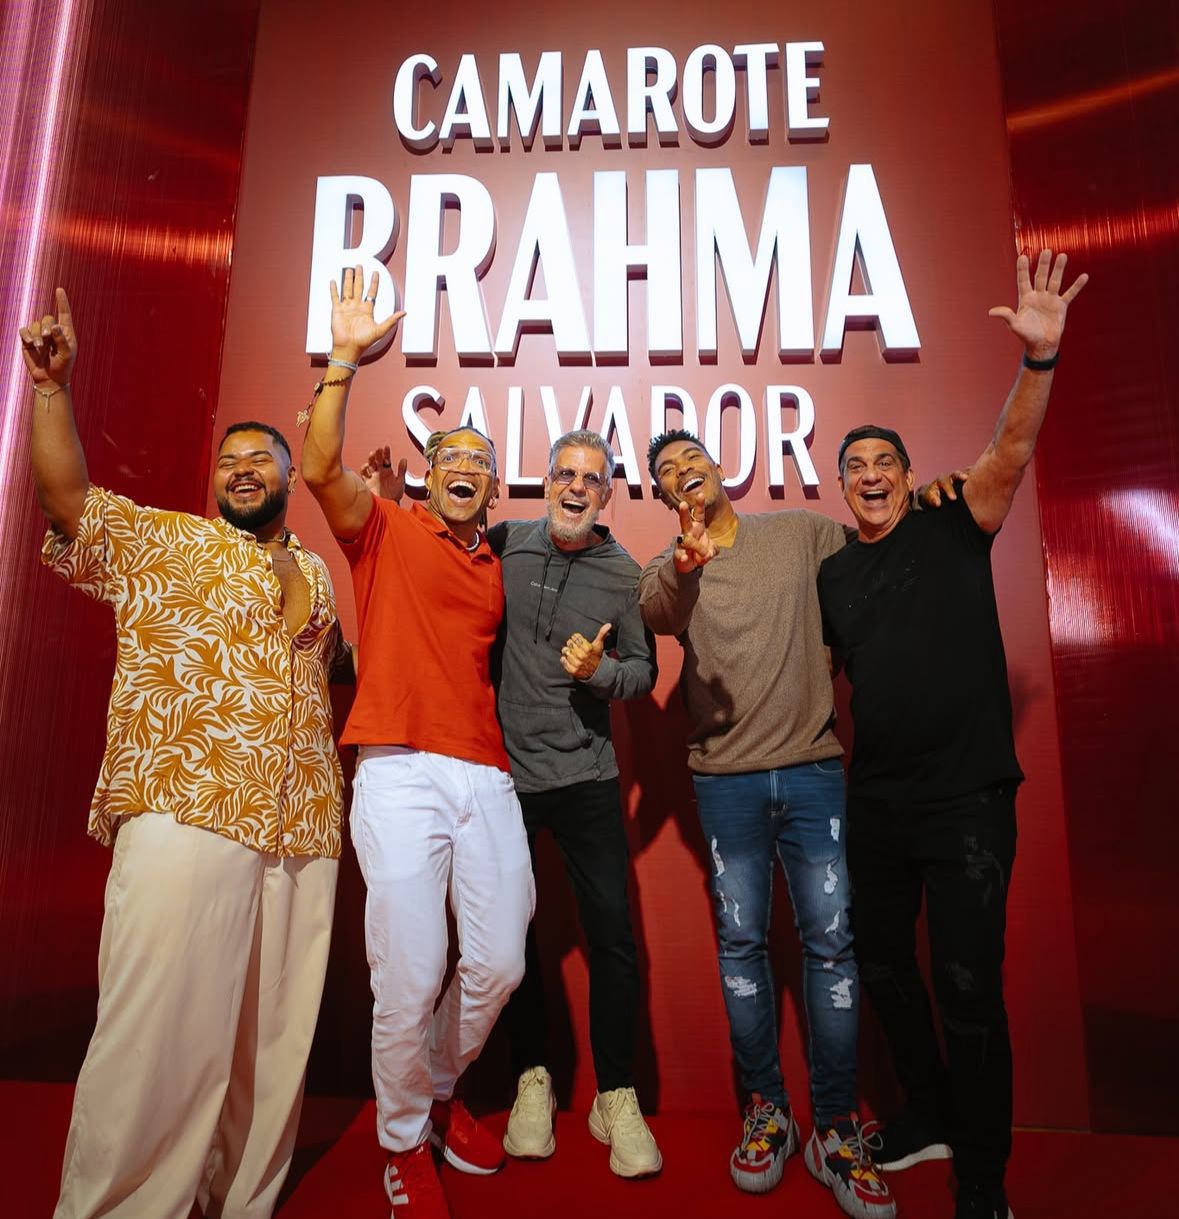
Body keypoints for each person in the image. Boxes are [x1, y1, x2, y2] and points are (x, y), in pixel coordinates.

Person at [19, 290, 347, 1219]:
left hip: (302, 824)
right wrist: (51, 390)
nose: (241, 470)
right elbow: (68, 500)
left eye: (260, 458)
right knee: (155, 1035)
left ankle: (235, 1200)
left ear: (289, 476)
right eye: (228, 460)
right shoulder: (165, 541)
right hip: (185, 801)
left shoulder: (316, 573)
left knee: (269, 1049)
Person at [817, 250, 1087, 1219]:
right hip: (877, 804)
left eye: (884, 462)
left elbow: (1010, 448)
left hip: (968, 801)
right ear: (843, 485)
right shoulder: (834, 574)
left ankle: (982, 1174)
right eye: (855, 467)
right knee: (885, 968)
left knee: (968, 988)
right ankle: (927, 1110)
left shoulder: (955, 518)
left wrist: (1038, 359)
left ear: (908, 473)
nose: (871, 475)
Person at [300, 267, 534, 1219]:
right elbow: (320, 469)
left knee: (501, 961)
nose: (465, 465)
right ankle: (402, 1141)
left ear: (493, 485)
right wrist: (343, 359)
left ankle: (436, 1089)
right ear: (431, 477)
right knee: (408, 972)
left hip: (485, 772)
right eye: (451, 456)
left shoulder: (498, 565)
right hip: (396, 767)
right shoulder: (386, 530)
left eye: (480, 458)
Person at [638, 433, 894, 1219]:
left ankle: (835, 1124)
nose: (684, 473)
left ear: (719, 468)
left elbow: (874, 548)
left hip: (813, 772)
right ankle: (766, 1109)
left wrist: (930, 496)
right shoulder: (668, 566)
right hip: (725, 784)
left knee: (832, 945)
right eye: (668, 472)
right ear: (663, 496)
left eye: (692, 460)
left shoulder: (799, 533)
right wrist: (685, 565)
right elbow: (657, 611)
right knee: (741, 946)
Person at [490, 430, 661, 1177]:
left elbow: (644, 672)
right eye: (565, 473)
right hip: (505, 777)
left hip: (588, 777)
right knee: (511, 939)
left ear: (607, 493)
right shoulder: (504, 543)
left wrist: (600, 672)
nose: (575, 487)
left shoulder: (624, 574)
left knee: (613, 940)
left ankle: (614, 1094)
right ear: (546, 479)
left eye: (591, 479)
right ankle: (532, 1078)